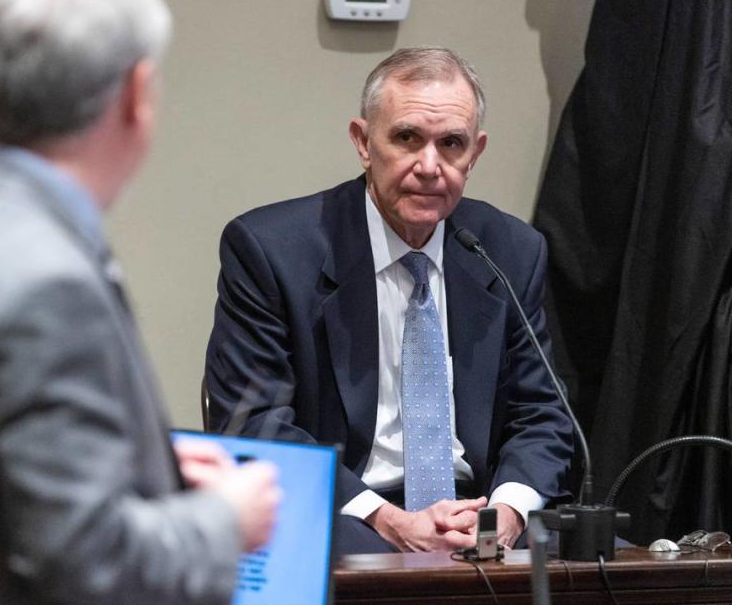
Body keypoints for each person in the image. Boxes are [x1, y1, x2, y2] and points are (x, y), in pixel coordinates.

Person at [0, 0, 278, 603]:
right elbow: (89, 568)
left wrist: (145, 473)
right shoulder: (50, 286)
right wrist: (224, 521)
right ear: (137, 94)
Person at [205, 47, 573, 554]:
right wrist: (390, 520)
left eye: (451, 144)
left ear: (476, 153)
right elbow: (255, 422)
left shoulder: (510, 250)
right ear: (363, 142)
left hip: (479, 510)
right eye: (406, 138)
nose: (429, 166)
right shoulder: (270, 250)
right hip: (348, 507)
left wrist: (505, 512)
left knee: (615, 563)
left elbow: (543, 414)